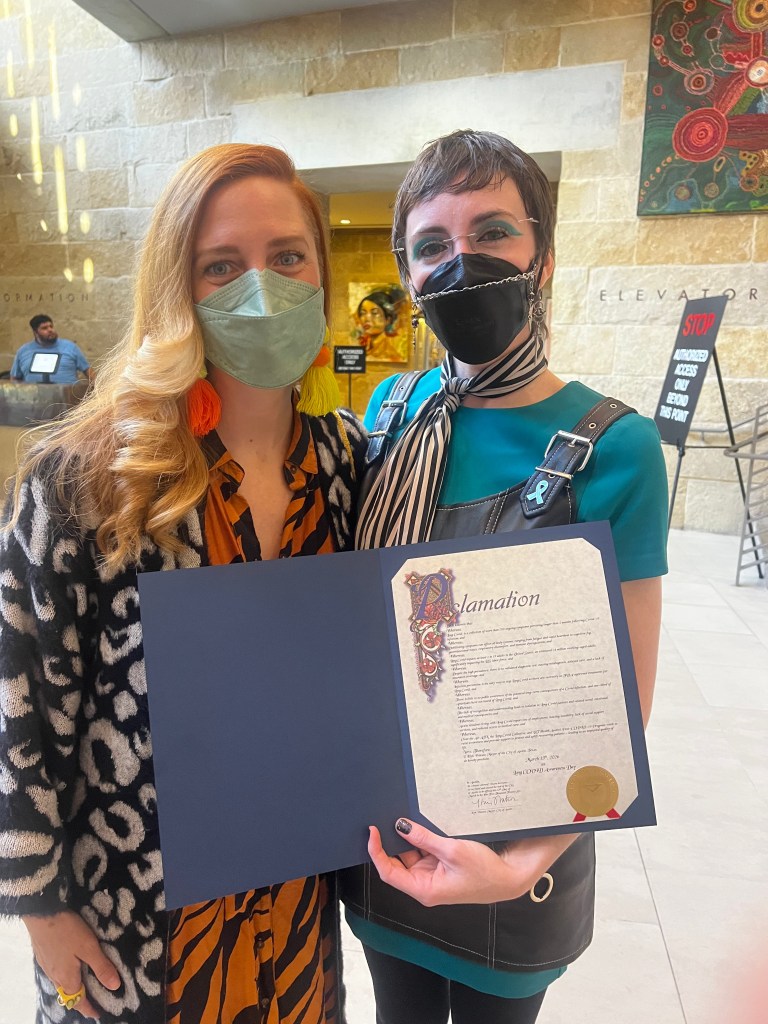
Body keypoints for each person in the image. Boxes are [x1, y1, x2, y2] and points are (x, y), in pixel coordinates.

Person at [0, 144, 366, 1024]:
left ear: (320, 270)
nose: (261, 285)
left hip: (297, 906)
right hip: (136, 923)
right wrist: (41, 911)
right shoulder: (85, 476)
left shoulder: (348, 461)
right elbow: (20, 700)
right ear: (178, 288)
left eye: (287, 256)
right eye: (220, 266)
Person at [340, 129, 668, 1024]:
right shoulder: (392, 411)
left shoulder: (615, 447)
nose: (460, 263)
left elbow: (622, 710)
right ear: (409, 275)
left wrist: (520, 864)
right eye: (432, 245)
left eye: (493, 233)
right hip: (391, 838)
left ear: (543, 255)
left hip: (522, 859)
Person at [11, 314, 93, 383]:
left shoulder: (70, 347)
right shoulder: (23, 351)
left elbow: (89, 372)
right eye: (44, 328)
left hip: (67, 398)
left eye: (51, 326)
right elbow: (15, 379)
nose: (50, 330)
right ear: (35, 332)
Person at [355, 288, 408, 362]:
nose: (367, 318)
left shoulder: (390, 353)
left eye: (374, 313)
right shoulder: (363, 347)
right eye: (363, 313)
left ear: (388, 320)